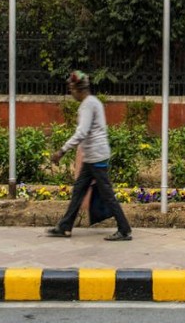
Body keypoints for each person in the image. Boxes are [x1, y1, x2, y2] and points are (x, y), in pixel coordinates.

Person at [46, 70, 132, 241]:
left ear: (79, 90)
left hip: (96, 156)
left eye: (71, 90)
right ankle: (65, 226)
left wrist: (62, 150)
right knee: (79, 190)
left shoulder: (87, 105)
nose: (71, 93)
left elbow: (82, 132)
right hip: (93, 156)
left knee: (107, 194)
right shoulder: (94, 102)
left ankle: (124, 229)